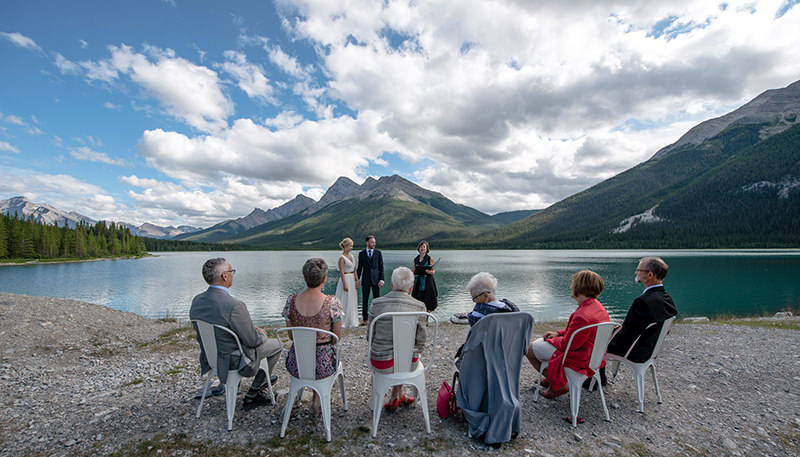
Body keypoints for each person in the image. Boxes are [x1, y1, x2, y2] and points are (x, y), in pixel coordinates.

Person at [190, 257, 281, 408]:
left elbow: (219, 328)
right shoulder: (234, 305)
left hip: (211, 356)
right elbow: (253, 341)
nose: (232, 275)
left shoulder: (197, 301)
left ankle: (253, 386)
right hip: (232, 359)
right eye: (231, 272)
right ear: (225, 276)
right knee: (276, 345)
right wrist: (261, 333)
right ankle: (255, 391)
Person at [524, 270, 610, 398]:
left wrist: (551, 341)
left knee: (528, 348)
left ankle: (558, 384)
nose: (571, 287)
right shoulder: (597, 307)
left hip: (580, 357)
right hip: (592, 354)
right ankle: (551, 379)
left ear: (580, 288)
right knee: (536, 343)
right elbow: (580, 331)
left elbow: (568, 345)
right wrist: (558, 333)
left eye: (573, 284)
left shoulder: (582, 315)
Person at [282, 258, 343, 416]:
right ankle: (319, 397)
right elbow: (336, 338)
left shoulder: (290, 300)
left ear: (305, 278)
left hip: (297, 364)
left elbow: (290, 336)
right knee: (326, 353)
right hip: (323, 367)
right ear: (324, 279)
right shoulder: (333, 303)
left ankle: (312, 394)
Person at [368, 266, 427, 411]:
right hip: (409, 363)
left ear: (392, 284)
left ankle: (396, 396)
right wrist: (416, 350)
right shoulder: (419, 306)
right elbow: (421, 340)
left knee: (396, 352)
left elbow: (370, 335)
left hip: (381, 361)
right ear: (411, 287)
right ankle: (398, 395)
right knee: (403, 352)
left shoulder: (376, 303)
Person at [607, 257, 678, 361]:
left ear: (650, 275)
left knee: (593, 347)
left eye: (639, 270)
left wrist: (605, 340)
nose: (636, 273)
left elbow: (627, 334)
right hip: (650, 350)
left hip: (634, 352)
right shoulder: (666, 298)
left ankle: (598, 377)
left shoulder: (642, 302)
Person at [357, 235, 384, 325]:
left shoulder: (378, 253)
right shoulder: (361, 254)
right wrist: (356, 280)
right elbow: (360, 268)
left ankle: (377, 317)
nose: (374, 244)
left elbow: (381, 268)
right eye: (372, 242)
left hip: (376, 280)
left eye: (374, 242)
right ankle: (365, 319)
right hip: (366, 280)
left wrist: (382, 280)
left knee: (377, 299)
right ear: (367, 242)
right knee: (365, 299)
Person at [334, 237, 360, 328]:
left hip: (352, 278)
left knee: (352, 298)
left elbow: (354, 269)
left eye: (352, 246)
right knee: (345, 298)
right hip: (345, 278)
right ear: (345, 246)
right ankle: (343, 320)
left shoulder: (352, 256)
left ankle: (352, 320)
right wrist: (344, 283)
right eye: (350, 246)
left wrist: (357, 280)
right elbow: (341, 271)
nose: (351, 248)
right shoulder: (342, 258)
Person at [411, 240, 439, 312]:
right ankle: (419, 318)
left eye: (424, 247)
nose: (422, 248)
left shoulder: (430, 258)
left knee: (428, 301)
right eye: (421, 247)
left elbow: (433, 271)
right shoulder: (415, 259)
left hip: (428, 282)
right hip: (418, 282)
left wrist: (428, 271)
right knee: (417, 300)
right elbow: (413, 270)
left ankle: (426, 319)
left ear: (427, 249)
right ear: (418, 248)